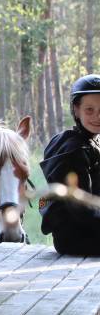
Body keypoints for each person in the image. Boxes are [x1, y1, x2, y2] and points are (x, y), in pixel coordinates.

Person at [40, 74, 100, 256]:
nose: (97, 116)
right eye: (89, 110)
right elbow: (81, 209)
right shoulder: (73, 150)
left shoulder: (89, 141)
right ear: (76, 110)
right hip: (78, 236)